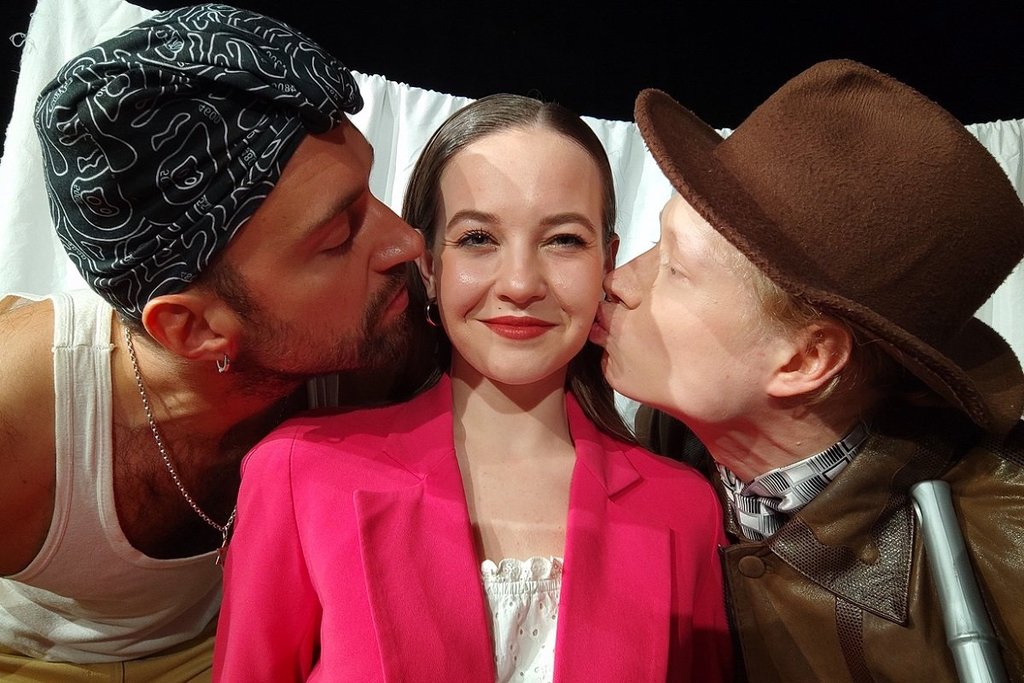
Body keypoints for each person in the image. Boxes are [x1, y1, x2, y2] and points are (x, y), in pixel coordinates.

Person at [214, 93, 732, 682]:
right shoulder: (300, 472)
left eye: (563, 240)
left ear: (606, 263)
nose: (520, 283)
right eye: (478, 238)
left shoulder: (686, 510)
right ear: (429, 265)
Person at [0, 4, 426, 681]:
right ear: (192, 329)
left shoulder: (381, 337)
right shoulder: (18, 413)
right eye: (340, 236)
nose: (406, 240)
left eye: (369, 191)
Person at [591, 58, 1024, 681]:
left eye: (675, 268)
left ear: (804, 359)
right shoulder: (664, 448)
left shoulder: (1004, 553)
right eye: (657, 243)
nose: (619, 281)